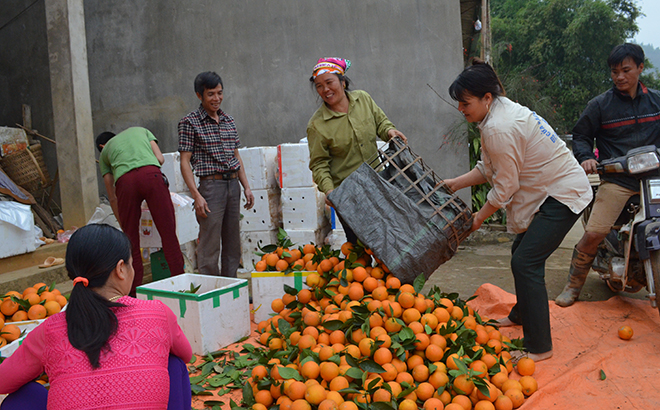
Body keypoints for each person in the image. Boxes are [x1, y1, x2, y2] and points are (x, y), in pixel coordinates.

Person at [443, 60, 592, 361]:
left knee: (526, 261)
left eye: (465, 102)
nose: (461, 109)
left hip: (564, 194)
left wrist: (478, 218)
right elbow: (489, 167)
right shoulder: (497, 115)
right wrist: (455, 184)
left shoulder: (500, 126)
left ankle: (539, 347)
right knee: (520, 253)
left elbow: (504, 187)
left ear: (487, 98)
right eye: (458, 103)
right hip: (552, 190)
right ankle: (522, 315)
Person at [0, 224, 192, 410]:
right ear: (120, 269)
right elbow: (186, 354)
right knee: (173, 364)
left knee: (25, 395)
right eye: (131, 264)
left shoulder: (50, 329)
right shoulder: (157, 312)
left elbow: (3, 382)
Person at [556, 43, 660, 307]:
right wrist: (587, 157)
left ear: (640, 68)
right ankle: (573, 286)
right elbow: (581, 135)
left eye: (626, 70)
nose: (620, 77)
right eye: (615, 72)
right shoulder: (600, 105)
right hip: (619, 180)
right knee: (594, 232)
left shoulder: (657, 101)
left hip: (655, 180)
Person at [306, 57, 407, 244]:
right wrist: (329, 192)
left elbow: (381, 123)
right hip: (349, 197)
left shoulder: (363, 99)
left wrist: (390, 131)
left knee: (392, 240)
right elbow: (319, 165)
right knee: (360, 248)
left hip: (380, 184)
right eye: (319, 86)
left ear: (343, 82)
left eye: (329, 82)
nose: (325, 90)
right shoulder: (317, 125)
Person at [178, 71, 254, 278]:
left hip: (233, 185)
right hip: (211, 187)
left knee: (232, 242)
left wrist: (246, 186)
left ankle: (230, 288)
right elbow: (185, 161)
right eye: (211, 94)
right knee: (210, 243)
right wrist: (196, 195)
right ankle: (210, 290)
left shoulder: (228, 120)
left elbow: (236, 156)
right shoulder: (190, 122)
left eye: (220, 93)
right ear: (199, 95)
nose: (217, 99)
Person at [97, 127, 185, 296]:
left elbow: (112, 196)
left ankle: (133, 294)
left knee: (131, 242)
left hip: (125, 184)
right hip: (152, 176)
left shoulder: (104, 153)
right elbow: (159, 159)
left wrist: (123, 223)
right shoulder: (142, 131)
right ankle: (181, 287)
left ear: (102, 146)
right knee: (169, 236)